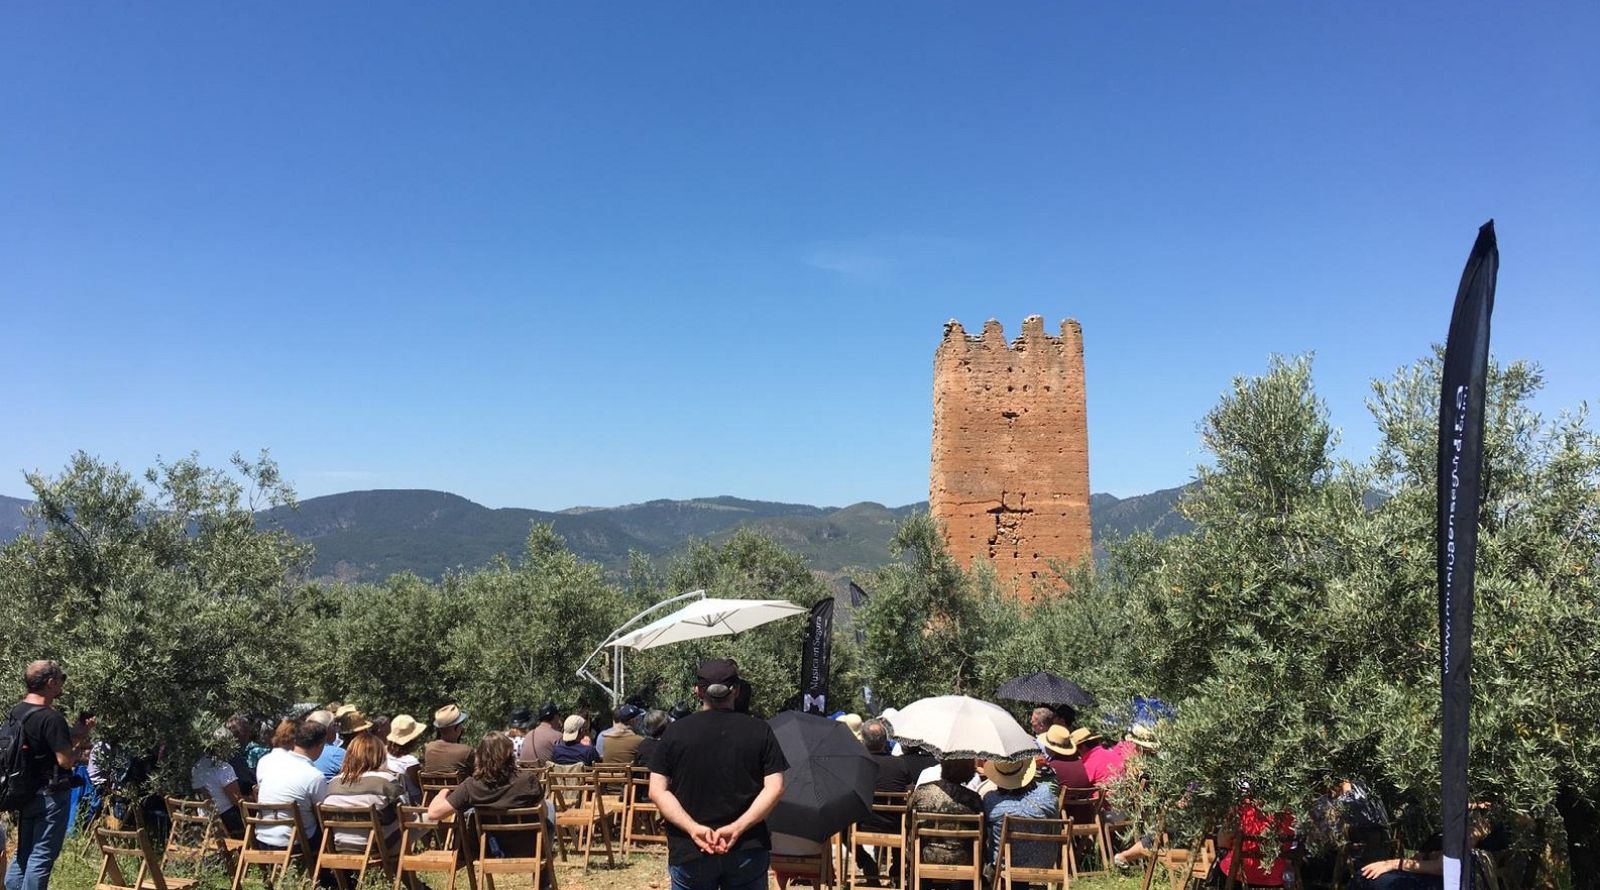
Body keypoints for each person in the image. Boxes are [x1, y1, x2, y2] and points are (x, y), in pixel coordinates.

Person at [649, 658, 787, 890]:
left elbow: (657, 791)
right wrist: (738, 827)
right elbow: (776, 787)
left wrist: (693, 828)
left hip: (690, 849)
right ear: (737, 691)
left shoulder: (674, 732)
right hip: (747, 847)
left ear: (697, 691)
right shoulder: (760, 730)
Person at [4, 660, 95, 890]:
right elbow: (65, 760)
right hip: (50, 797)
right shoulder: (50, 717)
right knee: (41, 856)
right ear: (51, 682)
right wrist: (79, 745)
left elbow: (44, 748)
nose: (62, 684)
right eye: (60, 679)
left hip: (24, 794)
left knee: (23, 854)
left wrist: (75, 734)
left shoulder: (17, 711)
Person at [427, 733, 547, 858]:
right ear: (510, 755)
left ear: (479, 756)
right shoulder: (527, 780)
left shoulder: (471, 786)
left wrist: (442, 793)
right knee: (549, 808)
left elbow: (434, 814)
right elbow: (543, 813)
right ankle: (544, 868)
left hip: (489, 851)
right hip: (528, 850)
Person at [324, 733, 405, 864]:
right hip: (376, 847)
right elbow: (406, 813)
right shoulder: (386, 780)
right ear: (379, 755)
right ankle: (414, 883)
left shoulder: (333, 783)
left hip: (340, 846)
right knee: (423, 819)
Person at [254, 719, 330, 851]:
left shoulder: (272, 767)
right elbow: (324, 816)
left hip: (262, 839)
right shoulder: (314, 776)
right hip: (295, 843)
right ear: (320, 745)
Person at [981, 758, 1060, 884]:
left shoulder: (991, 800)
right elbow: (1056, 828)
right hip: (1043, 862)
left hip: (1005, 864)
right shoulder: (1046, 795)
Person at [854, 719, 915, 882]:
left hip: (864, 825)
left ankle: (865, 861)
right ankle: (897, 868)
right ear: (884, 741)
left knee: (840, 824)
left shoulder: (858, 764)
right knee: (904, 819)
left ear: (864, 741)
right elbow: (910, 793)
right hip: (895, 826)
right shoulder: (900, 764)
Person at [908, 759, 984, 873]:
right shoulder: (974, 800)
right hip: (965, 860)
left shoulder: (922, 792)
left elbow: (908, 822)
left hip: (925, 856)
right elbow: (982, 833)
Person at [191, 726, 246, 838]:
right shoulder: (223, 768)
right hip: (225, 818)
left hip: (206, 819)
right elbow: (236, 800)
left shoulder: (196, 767)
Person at [422, 704, 474, 778]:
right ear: (456, 728)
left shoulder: (429, 748)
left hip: (433, 789)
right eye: (461, 724)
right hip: (459, 789)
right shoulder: (466, 751)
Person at [384, 715, 426, 805]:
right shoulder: (410, 762)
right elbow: (420, 786)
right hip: (413, 803)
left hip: (392, 801)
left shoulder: (383, 754)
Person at [304, 711, 345, 779]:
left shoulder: (300, 750)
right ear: (327, 729)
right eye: (334, 725)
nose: (336, 729)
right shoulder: (337, 754)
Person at [520, 702, 561, 766]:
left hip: (525, 774)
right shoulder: (558, 736)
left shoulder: (529, 735)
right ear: (555, 716)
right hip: (543, 775)